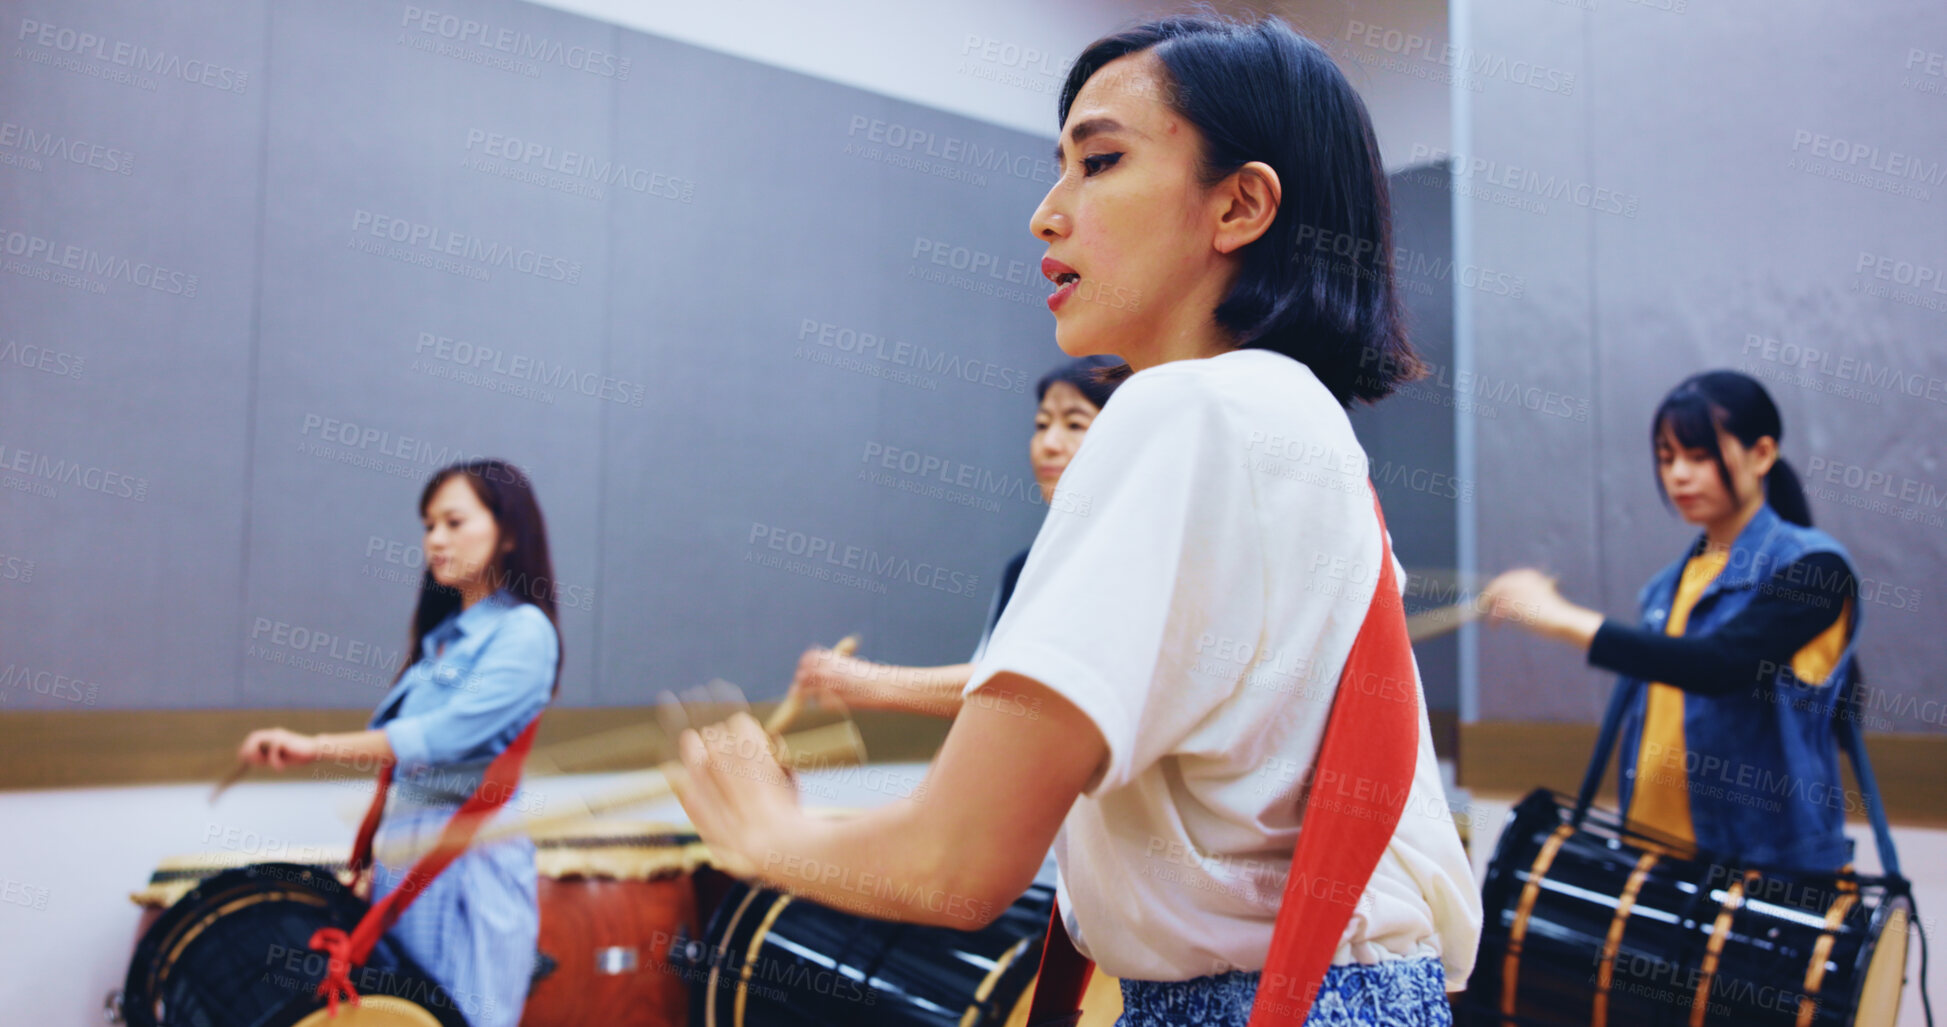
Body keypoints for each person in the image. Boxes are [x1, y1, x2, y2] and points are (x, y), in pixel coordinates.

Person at [670, 15, 1479, 1026]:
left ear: (1240, 205)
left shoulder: (1187, 408)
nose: (1045, 214)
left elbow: (956, 863)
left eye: (1099, 161)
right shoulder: (1292, 424)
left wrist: (763, 830)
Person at [1480, 371, 1861, 872]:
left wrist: (1555, 617)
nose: (1679, 474)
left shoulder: (1816, 569)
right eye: (1667, 458)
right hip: (1652, 861)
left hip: (1762, 870)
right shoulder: (1666, 586)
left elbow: (1717, 665)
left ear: (1762, 454)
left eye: (1699, 456)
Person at [236, 459, 561, 1026]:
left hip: (466, 862)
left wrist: (315, 748)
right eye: (428, 524)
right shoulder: (440, 640)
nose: (435, 539)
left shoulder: (524, 631)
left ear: (508, 532)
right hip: (403, 859)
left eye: (454, 522)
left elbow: (441, 738)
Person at [790, 354, 1124, 718]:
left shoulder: (1129, 557)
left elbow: (1042, 688)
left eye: (1075, 424)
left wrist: (869, 680)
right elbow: (985, 689)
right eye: (1042, 424)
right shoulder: (1023, 568)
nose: (1049, 443)